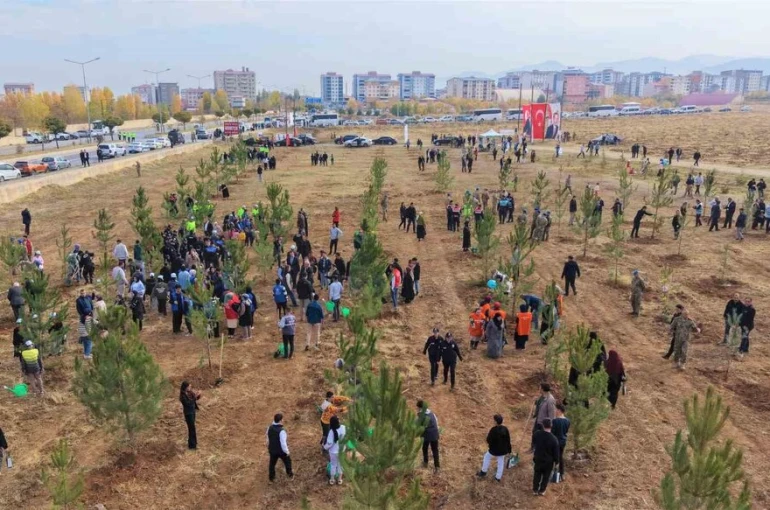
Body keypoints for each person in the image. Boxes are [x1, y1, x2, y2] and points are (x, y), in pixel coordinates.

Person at [476, 414, 512, 482]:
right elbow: (508, 440)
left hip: (494, 450)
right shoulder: (505, 429)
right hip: (503, 450)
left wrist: (490, 445)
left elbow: (488, 440)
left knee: (486, 457)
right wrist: (509, 450)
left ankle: (483, 472)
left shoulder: (493, 430)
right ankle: (498, 478)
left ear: (495, 421)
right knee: (500, 463)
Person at [532, 418, 560, 496]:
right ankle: (542, 490)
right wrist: (557, 462)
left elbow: (534, 443)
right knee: (546, 476)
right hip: (548, 461)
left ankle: (535, 490)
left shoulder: (537, 434)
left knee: (537, 474)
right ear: (551, 426)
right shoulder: (554, 439)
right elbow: (556, 453)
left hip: (538, 458)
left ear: (543, 425)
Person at [266, 413, 294, 482]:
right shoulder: (282, 431)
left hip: (272, 450)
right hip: (281, 451)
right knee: (287, 461)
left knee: (272, 464)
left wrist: (268, 446)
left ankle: (271, 478)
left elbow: (267, 438)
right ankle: (290, 474)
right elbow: (283, 444)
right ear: (280, 420)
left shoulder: (269, 428)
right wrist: (287, 451)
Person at [417, 400, 440, 472]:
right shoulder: (432, 413)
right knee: (435, 450)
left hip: (426, 435)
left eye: (417, 408)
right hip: (435, 434)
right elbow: (436, 422)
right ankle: (437, 467)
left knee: (425, 448)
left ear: (419, 407)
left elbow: (418, 426)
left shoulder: (421, 415)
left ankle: (425, 462)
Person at [324, 415, 347, 485]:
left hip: (333, 452)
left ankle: (332, 480)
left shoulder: (331, 431)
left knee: (333, 465)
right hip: (341, 450)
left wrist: (324, 447)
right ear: (338, 422)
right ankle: (339, 479)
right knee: (340, 464)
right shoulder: (343, 427)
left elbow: (329, 444)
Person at [551, 404, 570, 481]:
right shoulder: (567, 421)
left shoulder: (555, 421)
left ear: (559, 410)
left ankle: (553, 473)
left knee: (553, 457)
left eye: (556, 409)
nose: (555, 411)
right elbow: (566, 431)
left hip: (555, 442)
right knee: (560, 457)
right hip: (563, 441)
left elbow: (552, 433)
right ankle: (562, 474)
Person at [179, 381, 201, 450]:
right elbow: (188, 403)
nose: (190, 388)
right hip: (188, 413)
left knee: (192, 428)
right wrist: (195, 397)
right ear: (185, 387)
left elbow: (195, 398)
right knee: (192, 428)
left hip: (192, 412)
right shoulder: (182, 396)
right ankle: (192, 446)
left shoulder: (190, 392)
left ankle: (193, 444)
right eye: (189, 387)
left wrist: (198, 395)